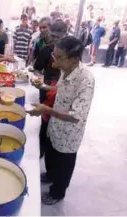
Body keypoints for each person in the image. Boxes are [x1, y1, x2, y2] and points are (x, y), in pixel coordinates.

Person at [28, 36, 95, 205]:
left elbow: (76, 115)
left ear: (74, 59)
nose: (54, 60)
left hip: (69, 133)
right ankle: (50, 175)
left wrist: (46, 109)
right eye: (54, 55)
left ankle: (58, 192)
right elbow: (59, 89)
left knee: (64, 164)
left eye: (59, 57)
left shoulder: (86, 79)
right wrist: (42, 87)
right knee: (51, 154)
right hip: (55, 124)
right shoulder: (66, 70)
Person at [31, 21, 68, 158]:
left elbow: (37, 69)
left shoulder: (51, 49)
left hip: (60, 91)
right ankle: (42, 151)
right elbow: (37, 68)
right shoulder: (48, 49)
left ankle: (45, 151)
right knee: (47, 120)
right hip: (50, 89)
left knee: (53, 122)